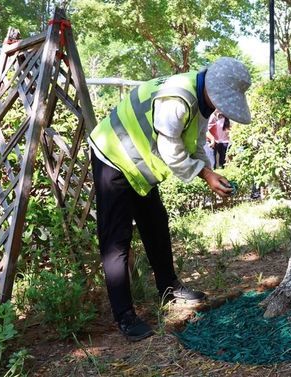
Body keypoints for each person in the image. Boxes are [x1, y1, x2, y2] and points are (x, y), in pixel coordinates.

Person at [88, 57, 252, 341]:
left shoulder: (201, 100)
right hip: (113, 156)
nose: (221, 107)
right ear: (212, 86)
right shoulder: (178, 98)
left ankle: (168, 288)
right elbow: (170, 149)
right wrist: (205, 176)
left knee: (155, 223)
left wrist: (210, 172)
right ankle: (125, 316)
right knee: (117, 239)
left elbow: (196, 143)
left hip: (139, 163)